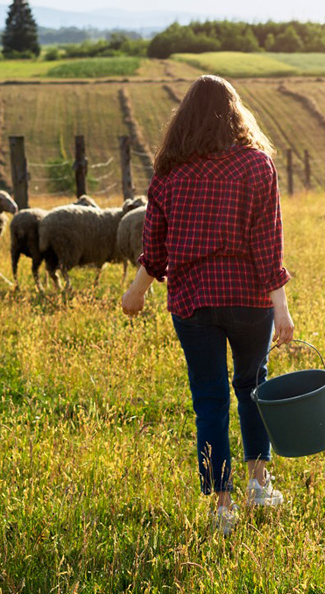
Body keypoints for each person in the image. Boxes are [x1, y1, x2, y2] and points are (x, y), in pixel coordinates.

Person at [121, 74, 294, 535]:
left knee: (210, 400)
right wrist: (281, 307)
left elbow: (154, 250)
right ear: (236, 113)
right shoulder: (258, 166)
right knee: (253, 385)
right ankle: (258, 484)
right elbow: (267, 243)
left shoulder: (169, 174)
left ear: (184, 119)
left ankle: (222, 508)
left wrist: (136, 292)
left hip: (193, 303)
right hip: (249, 300)